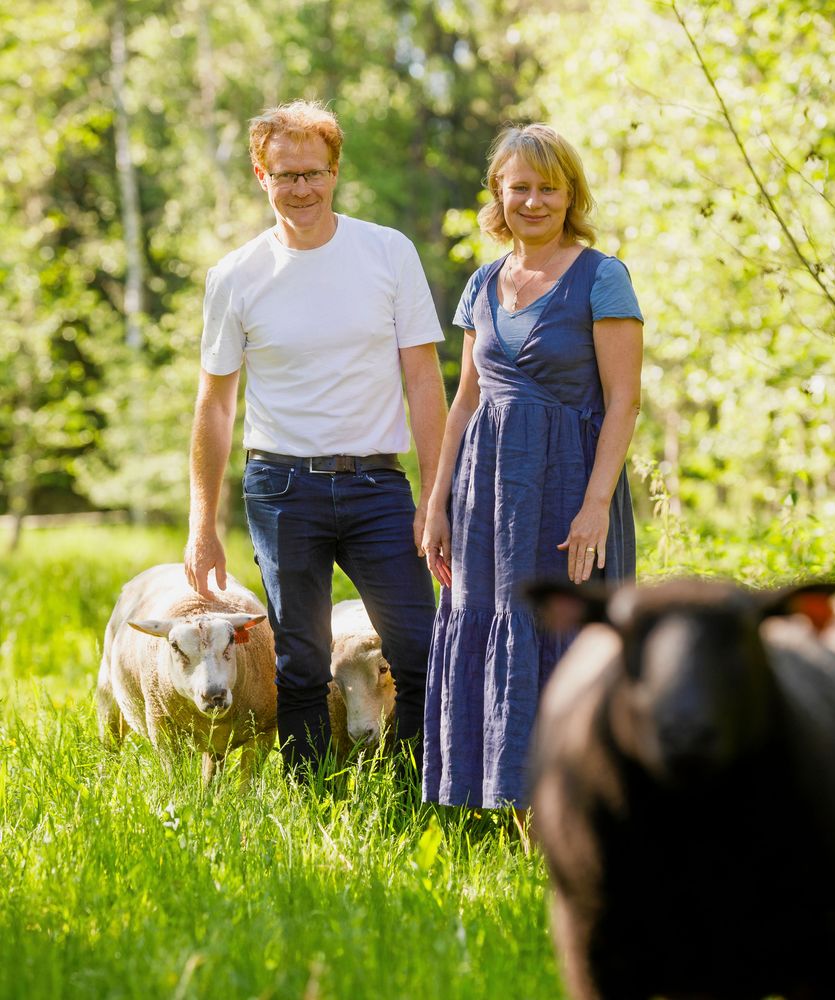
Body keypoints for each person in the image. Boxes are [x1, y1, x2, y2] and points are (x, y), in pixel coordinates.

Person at [184, 100, 447, 773]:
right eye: (285, 175)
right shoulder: (236, 276)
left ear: (335, 172)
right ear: (260, 175)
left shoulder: (388, 252)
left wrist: (436, 494)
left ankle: (403, 794)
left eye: (314, 173)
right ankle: (314, 807)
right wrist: (201, 524)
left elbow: (424, 381)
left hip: (378, 485)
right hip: (281, 488)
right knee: (299, 664)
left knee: (419, 650)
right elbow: (215, 407)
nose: (301, 188)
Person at [420, 123, 643, 829]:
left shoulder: (601, 276)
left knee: (568, 636)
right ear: (499, 193)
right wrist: (437, 504)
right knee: (490, 627)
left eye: (549, 187)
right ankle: (511, 816)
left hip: (568, 486)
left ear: (570, 192)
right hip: (487, 495)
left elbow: (625, 399)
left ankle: (583, 815)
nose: (535, 200)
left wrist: (596, 504)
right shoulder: (482, 283)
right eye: (521, 187)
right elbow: (464, 403)